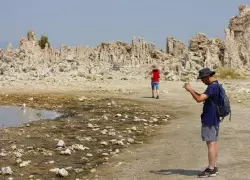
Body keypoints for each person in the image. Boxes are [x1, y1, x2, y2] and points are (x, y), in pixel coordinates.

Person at [184, 68, 220, 178]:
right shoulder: (217, 85)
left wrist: (190, 90)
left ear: (207, 77)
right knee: (213, 142)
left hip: (210, 118)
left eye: (202, 79)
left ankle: (210, 169)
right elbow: (204, 97)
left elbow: (199, 99)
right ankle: (214, 166)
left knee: (210, 144)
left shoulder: (212, 87)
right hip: (215, 118)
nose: (202, 81)